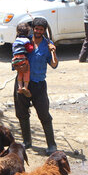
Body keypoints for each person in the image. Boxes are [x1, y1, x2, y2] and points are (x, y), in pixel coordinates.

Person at [14, 17, 59, 155]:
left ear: (44, 31)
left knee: (44, 114)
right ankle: (27, 142)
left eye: (41, 29)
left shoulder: (48, 45)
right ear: (33, 28)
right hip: (22, 81)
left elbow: (54, 65)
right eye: (36, 28)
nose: (38, 31)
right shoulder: (25, 40)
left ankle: (51, 145)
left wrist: (54, 52)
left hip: (39, 84)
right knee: (21, 112)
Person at [12, 22, 34, 98]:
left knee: (20, 73)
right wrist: (32, 43)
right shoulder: (25, 40)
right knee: (26, 72)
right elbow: (30, 49)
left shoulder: (16, 41)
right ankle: (25, 87)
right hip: (22, 59)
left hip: (15, 59)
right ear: (28, 32)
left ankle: (20, 87)